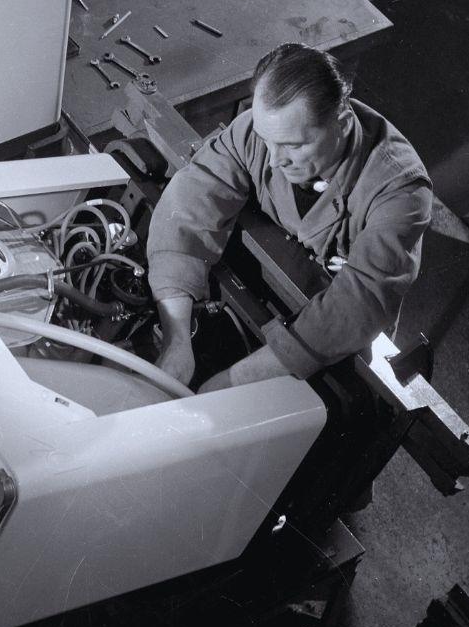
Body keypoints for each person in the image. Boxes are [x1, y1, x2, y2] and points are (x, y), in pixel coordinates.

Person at [146, 42, 432, 392]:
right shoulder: (259, 131)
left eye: (294, 146)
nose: (274, 160)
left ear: (341, 123)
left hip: (332, 332)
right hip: (274, 287)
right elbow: (192, 201)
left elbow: (359, 304)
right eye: (268, 141)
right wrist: (177, 340)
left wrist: (230, 382)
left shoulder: (400, 191)